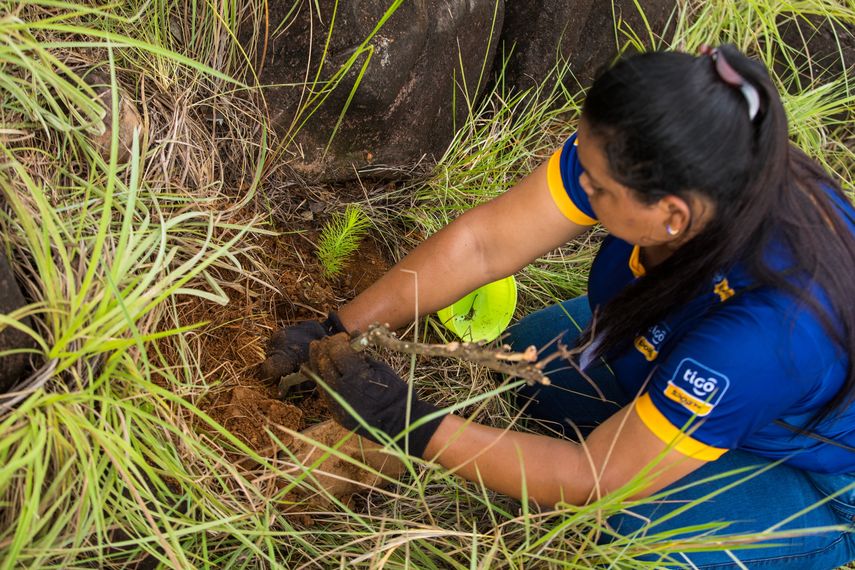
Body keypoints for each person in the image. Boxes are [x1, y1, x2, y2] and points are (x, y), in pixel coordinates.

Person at [261, 44, 855, 568]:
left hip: (821, 472)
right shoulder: (652, 156)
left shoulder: (770, 334)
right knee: (537, 358)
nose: (581, 184)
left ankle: (816, 531)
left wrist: (406, 424)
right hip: (693, 349)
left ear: (671, 215)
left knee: (626, 527)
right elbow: (483, 244)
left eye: (595, 189)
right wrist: (340, 326)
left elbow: (591, 478)